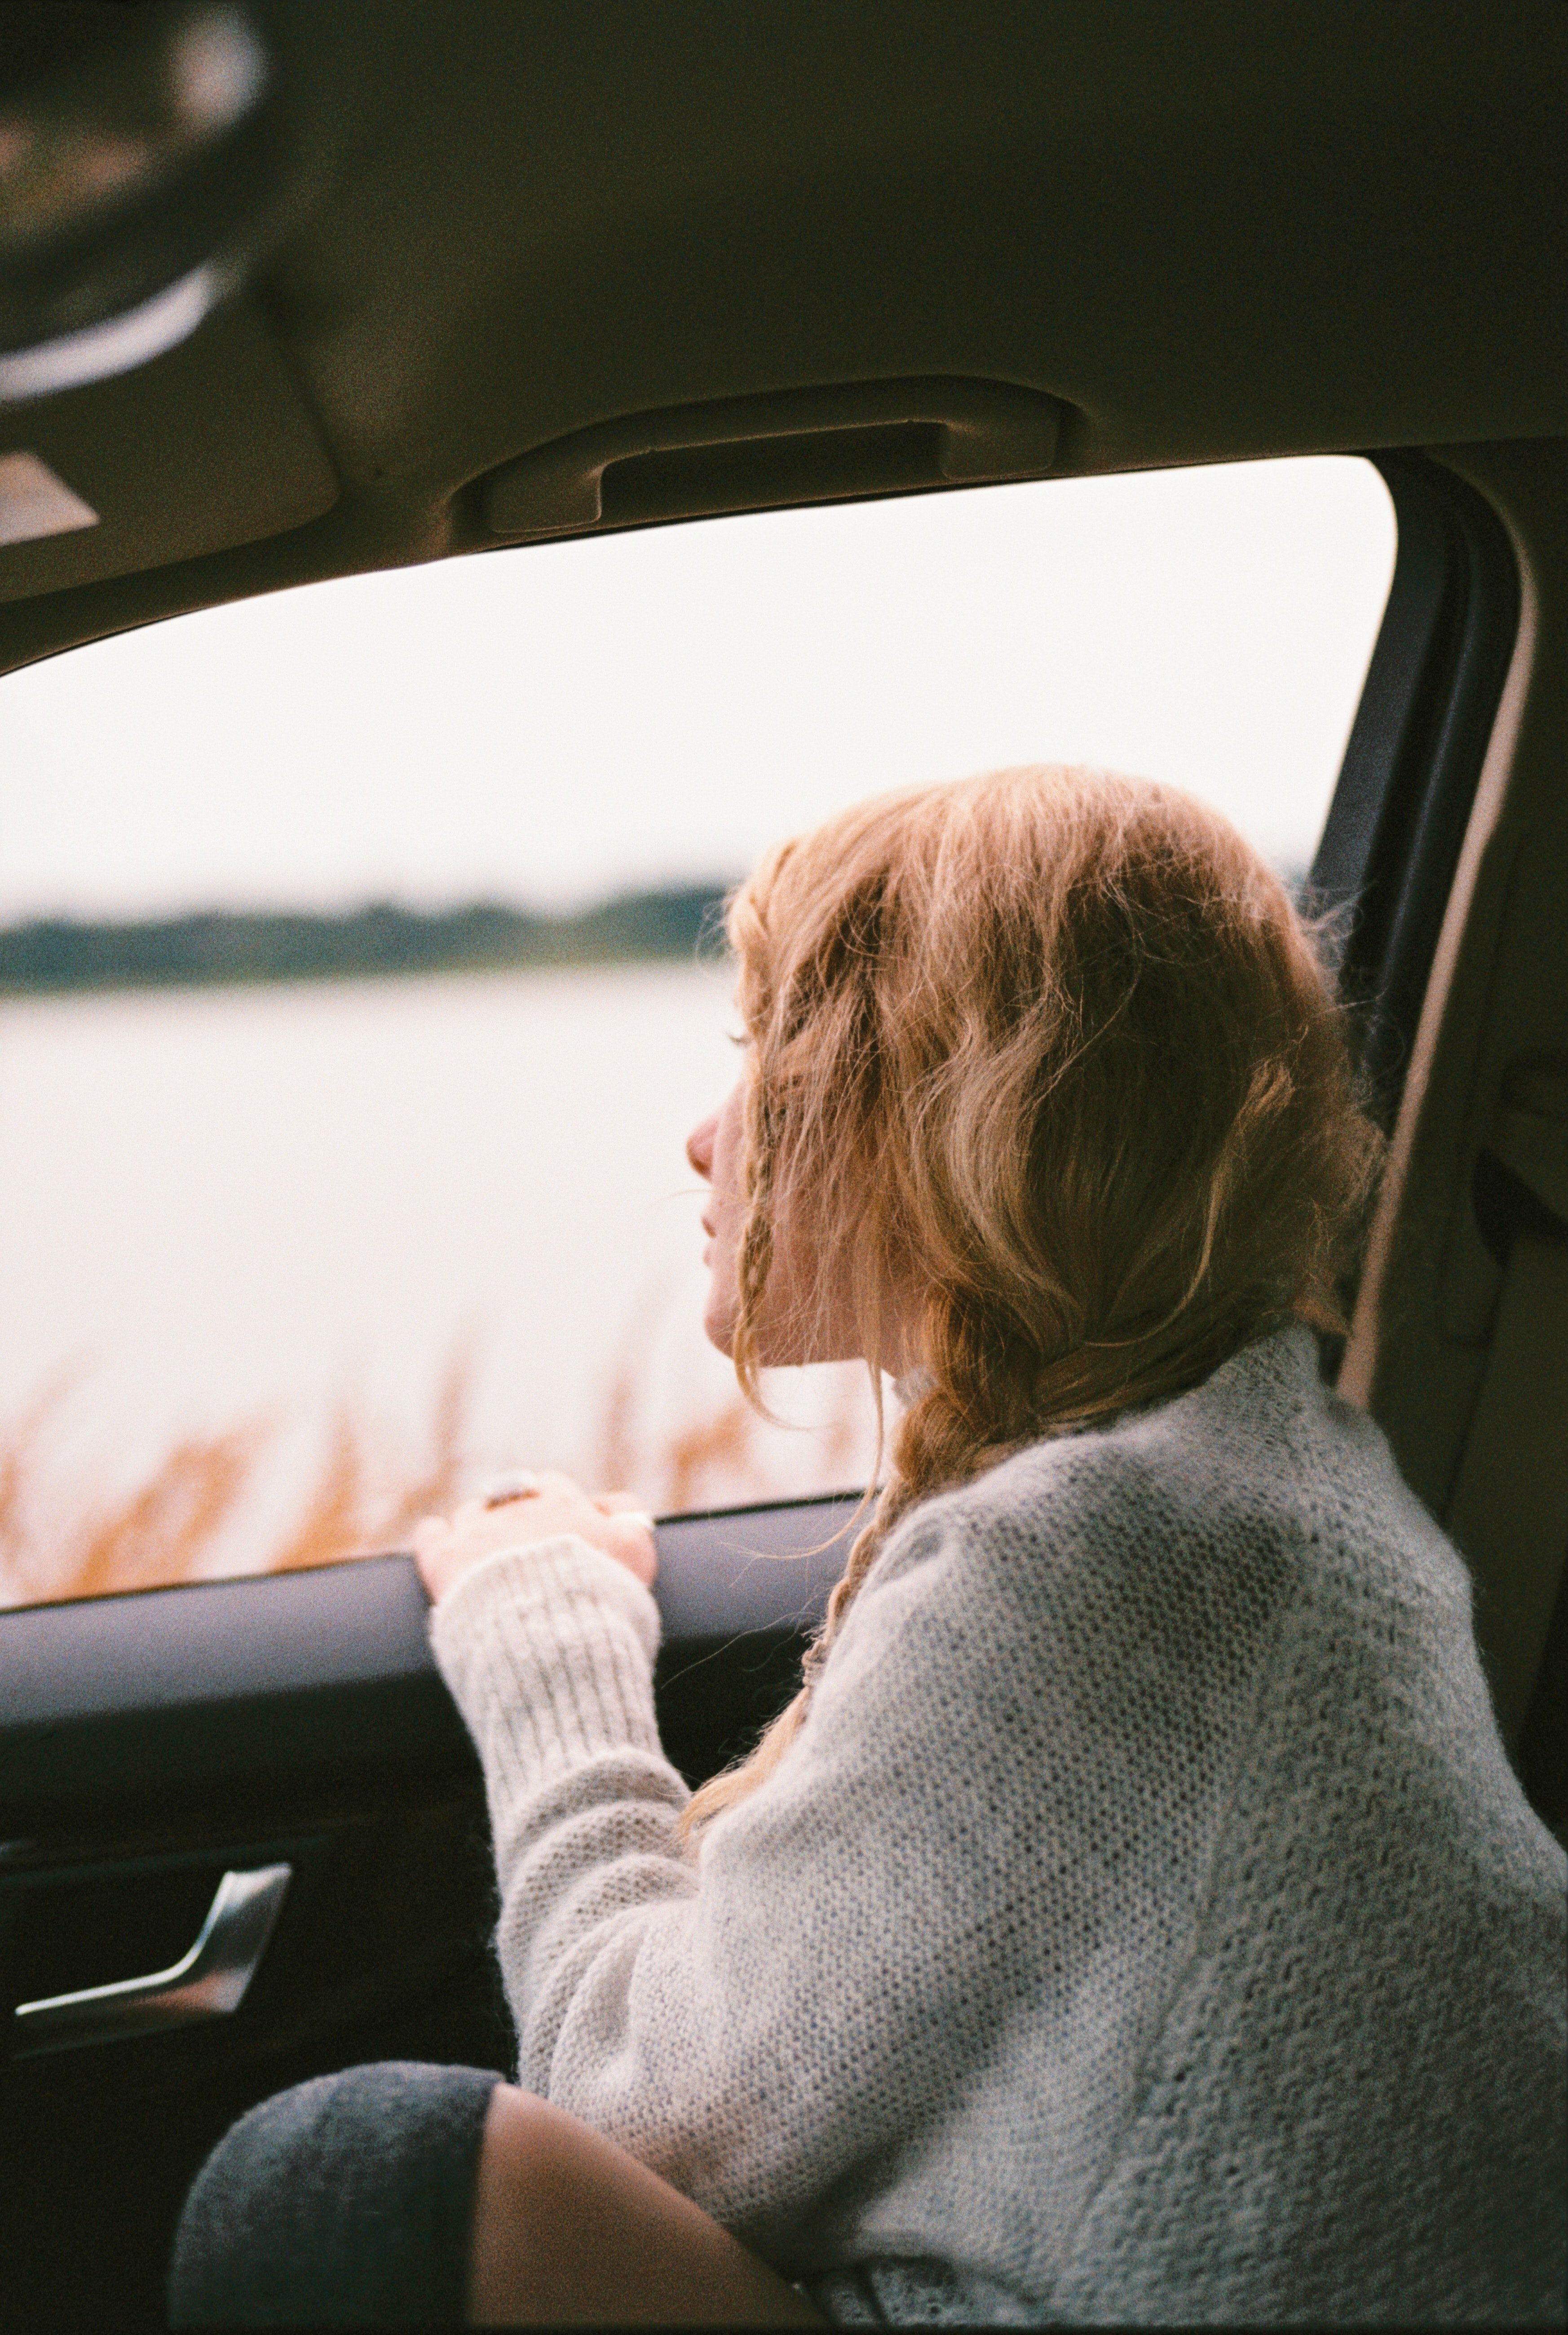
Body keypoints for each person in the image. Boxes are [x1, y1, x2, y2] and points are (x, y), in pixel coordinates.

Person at [170, 765, 1566, 2327]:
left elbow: (643, 2114)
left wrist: (547, 1641)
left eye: (765, 1050)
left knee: (344, 2182)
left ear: (954, 1108)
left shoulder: (1096, 1573)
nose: (706, 1138)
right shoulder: (1262, 1479)